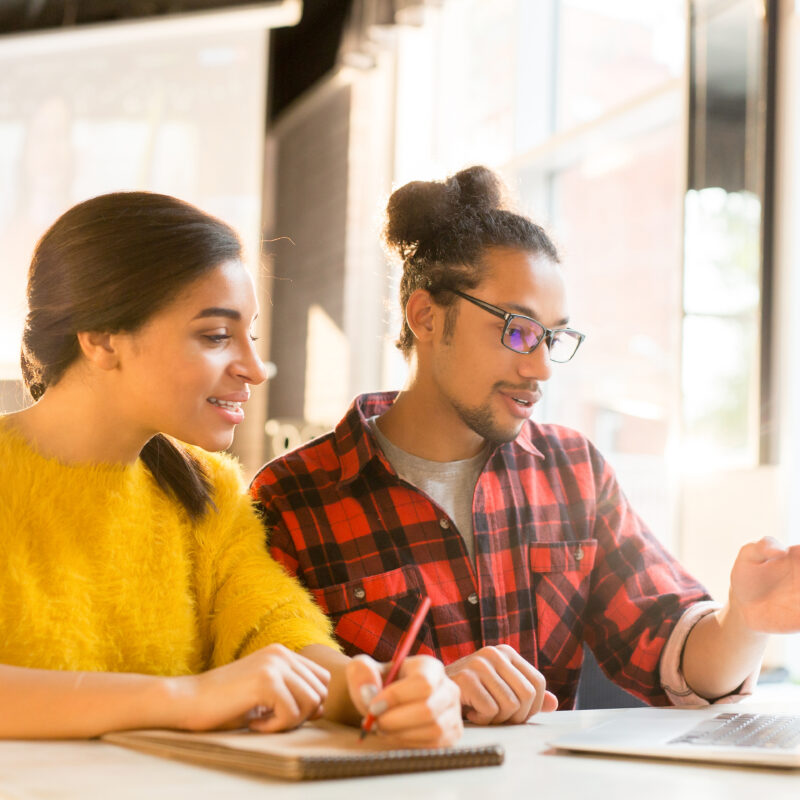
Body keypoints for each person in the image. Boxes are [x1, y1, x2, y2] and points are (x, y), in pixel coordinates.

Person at [251, 165, 800, 725]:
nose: (540, 367)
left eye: (553, 337)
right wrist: (425, 691)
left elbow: (674, 654)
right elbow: (272, 691)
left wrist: (745, 619)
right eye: (517, 329)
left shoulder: (572, 471)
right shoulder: (290, 497)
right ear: (426, 316)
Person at [0, 191, 462, 744]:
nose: (252, 367)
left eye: (251, 336)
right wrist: (187, 699)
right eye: (216, 336)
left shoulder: (206, 491)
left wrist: (378, 689)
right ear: (102, 339)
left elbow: (271, 627)